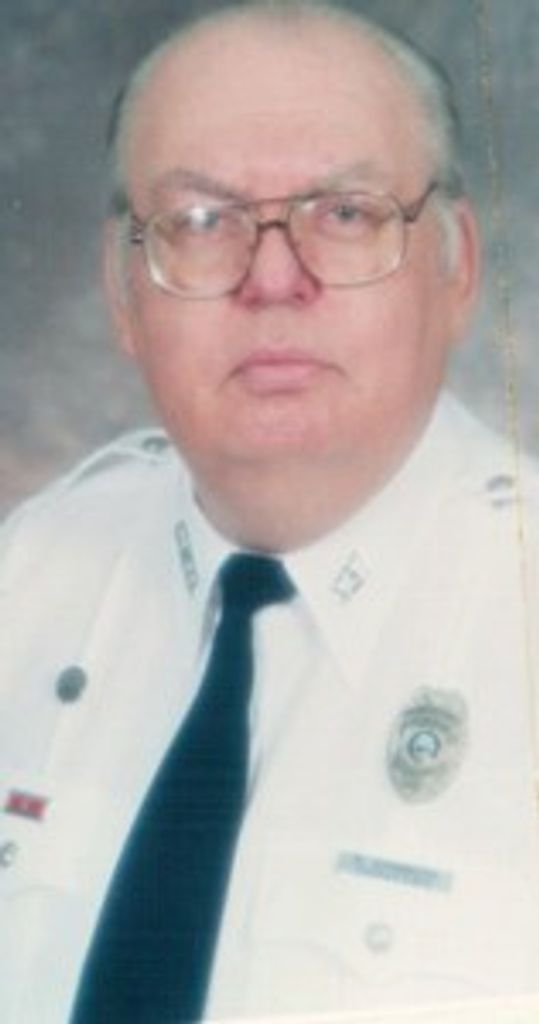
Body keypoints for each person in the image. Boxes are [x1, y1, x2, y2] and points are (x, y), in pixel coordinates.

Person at [1, 1, 539, 1021]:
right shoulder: (27, 581)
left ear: (457, 266)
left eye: (346, 214)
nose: (274, 280)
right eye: (202, 223)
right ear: (121, 288)